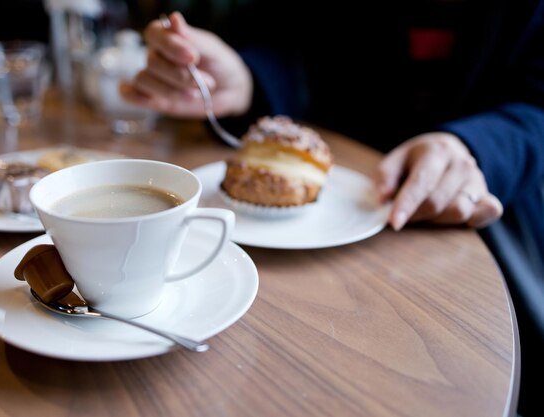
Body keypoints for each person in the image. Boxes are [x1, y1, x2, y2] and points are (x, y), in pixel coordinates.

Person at [120, 3, 544, 415]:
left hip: (476, 215)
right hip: (326, 232)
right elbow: (289, 35)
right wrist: (249, 80)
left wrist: (476, 146)